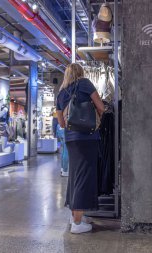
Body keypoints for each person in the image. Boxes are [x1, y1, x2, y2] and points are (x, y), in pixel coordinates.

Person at [56, 63, 105, 234]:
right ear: (81, 73)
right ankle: (77, 223)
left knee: (75, 176)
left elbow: (61, 122)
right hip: (87, 138)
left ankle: (75, 215)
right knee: (85, 177)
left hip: (71, 139)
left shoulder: (62, 92)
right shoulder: (85, 84)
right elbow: (100, 107)